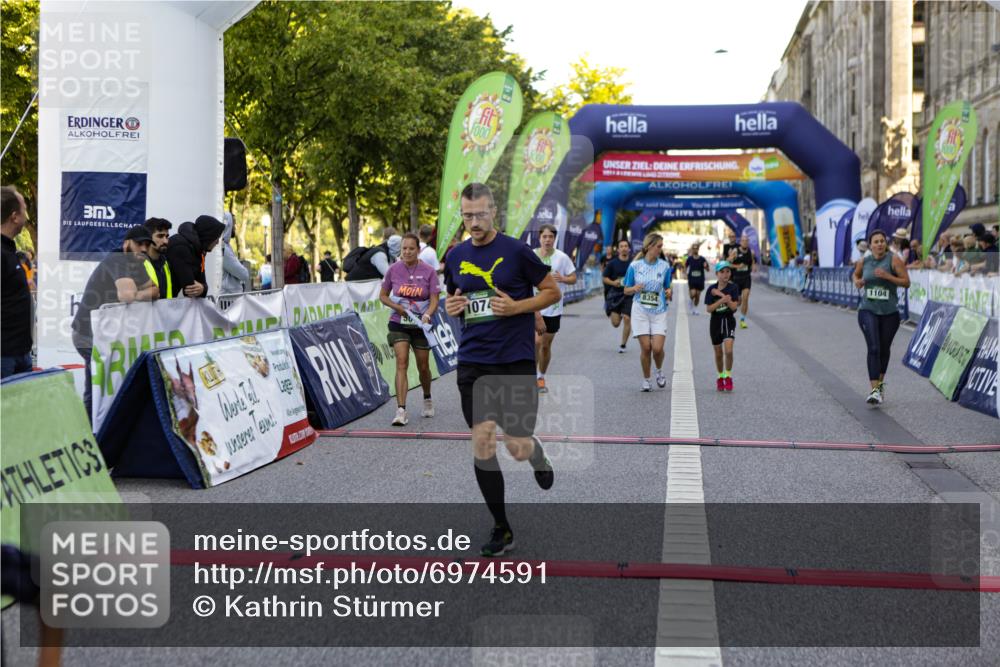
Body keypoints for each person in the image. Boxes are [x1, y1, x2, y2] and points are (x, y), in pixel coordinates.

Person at [443, 182, 560, 557]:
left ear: (493, 211)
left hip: (514, 359)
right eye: (467, 215)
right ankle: (501, 526)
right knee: (483, 443)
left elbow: (552, 291)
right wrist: (452, 307)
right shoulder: (456, 254)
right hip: (474, 360)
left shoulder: (516, 251)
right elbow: (453, 295)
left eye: (479, 214)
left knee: (518, 443)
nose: (473, 222)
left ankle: (536, 453)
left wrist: (518, 308)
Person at [72, 226, 159, 419]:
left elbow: (155, 291)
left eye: (146, 244)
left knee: (108, 384)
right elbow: (126, 295)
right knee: (97, 386)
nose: (144, 249)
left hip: (108, 333)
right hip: (87, 333)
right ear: (126, 243)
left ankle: (102, 428)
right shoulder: (117, 259)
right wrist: (137, 293)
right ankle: (91, 435)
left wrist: (138, 293)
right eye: (139, 244)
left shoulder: (137, 264)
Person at [379, 233, 440, 426]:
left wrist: (427, 315)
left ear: (418, 250)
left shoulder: (429, 271)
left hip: (421, 324)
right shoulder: (393, 270)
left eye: (411, 248)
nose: (406, 252)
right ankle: (401, 410)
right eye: (404, 248)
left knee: (423, 366)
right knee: (402, 362)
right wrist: (398, 308)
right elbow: (383, 296)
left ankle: (427, 397)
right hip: (399, 322)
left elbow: (434, 300)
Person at [852, 229, 910, 405]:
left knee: (884, 350)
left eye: (882, 241)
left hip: (890, 313)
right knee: (874, 348)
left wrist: (888, 276)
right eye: (876, 241)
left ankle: (880, 386)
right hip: (867, 309)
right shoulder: (865, 261)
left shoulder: (894, 260)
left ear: (885, 244)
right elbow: (856, 274)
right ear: (870, 245)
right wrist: (858, 281)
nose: (879, 244)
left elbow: (906, 282)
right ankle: (875, 391)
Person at [622, 232, 673, 392]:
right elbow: (626, 290)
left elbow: (667, 286)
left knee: (657, 349)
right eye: (658, 246)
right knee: (646, 348)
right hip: (640, 311)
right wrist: (634, 288)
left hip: (658, 311)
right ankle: (646, 379)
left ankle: (658, 370)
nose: (660, 249)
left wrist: (669, 292)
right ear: (650, 246)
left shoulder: (665, 266)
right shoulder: (635, 266)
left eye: (661, 246)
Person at [533, 223, 577, 393]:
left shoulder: (562, 258)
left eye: (551, 237)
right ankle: (532, 377)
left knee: (545, 345)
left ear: (554, 239)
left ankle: (541, 376)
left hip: (553, 309)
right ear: (540, 238)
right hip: (534, 306)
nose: (547, 240)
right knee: (536, 342)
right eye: (544, 236)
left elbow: (573, 277)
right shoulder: (531, 256)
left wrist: (564, 279)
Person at [1, 186, 33, 377]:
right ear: (14, 216)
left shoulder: (9, 252)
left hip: (20, 353)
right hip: (4, 356)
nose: (27, 217)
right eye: (24, 210)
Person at [166, 215, 225, 298]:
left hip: (165, 302)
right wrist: (202, 288)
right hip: (159, 304)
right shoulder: (180, 247)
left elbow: (201, 285)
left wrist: (203, 288)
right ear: (208, 236)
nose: (217, 242)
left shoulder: (199, 250)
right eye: (216, 238)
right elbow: (190, 289)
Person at [705, 261, 741, 391]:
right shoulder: (711, 289)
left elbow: (734, 307)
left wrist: (725, 298)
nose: (726, 274)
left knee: (729, 351)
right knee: (719, 353)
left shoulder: (733, 288)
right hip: (715, 323)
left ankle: (728, 376)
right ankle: (720, 376)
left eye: (728, 271)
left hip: (728, 321)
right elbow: (709, 309)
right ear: (717, 274)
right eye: (722, 272)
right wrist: (721, 299)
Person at [603, 239, 633, 353]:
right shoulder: (612, 263)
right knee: (615, 323)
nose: (624, 248)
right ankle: (618, 312)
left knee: (627, 318)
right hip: (615, 295)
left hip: (629, 294)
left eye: (626, 246)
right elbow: (604, 278)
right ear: (618, 249)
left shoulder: (633, 263)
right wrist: (613, 283)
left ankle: (623, 345)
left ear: (629, 249)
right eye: (622, 246)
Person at [142, 217, 174, 299]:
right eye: (160, 236)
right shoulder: (138, 262)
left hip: (164, 311)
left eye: (167, 236)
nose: (165, 241)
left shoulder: (166, 263)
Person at [220, 213, 249, 294]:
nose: (235, 227)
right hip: (228, 298)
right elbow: (244, 274)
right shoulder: (223, 248)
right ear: (228, 225)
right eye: (234, 224)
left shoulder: (225, 246)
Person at [730, 233, 754, 328]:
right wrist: (738, 266)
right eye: (743, 241)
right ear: (740, 242)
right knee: (738, 302)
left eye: (747, 241)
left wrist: (753, 267)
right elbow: (728, 264)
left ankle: (742, 320)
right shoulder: (735, 251)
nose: (745, 242)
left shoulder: (750, 252)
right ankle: (730, 313)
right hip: (737, 279)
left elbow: (752, 262)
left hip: (746, 278)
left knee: (746, 297)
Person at [684, 243, 709, 316]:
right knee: (693, 293)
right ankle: (691, 300)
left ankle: (695, 308)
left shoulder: (702, 259)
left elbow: (707, 269)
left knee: (698, 295)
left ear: (698, 249)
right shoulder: (689, 259)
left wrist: (705, 266)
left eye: (696, 248)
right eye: (694, 248)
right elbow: (685, 266)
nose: (695, 250)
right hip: (692, 279)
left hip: (700, 279)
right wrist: (685, 274)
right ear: (692, 249)